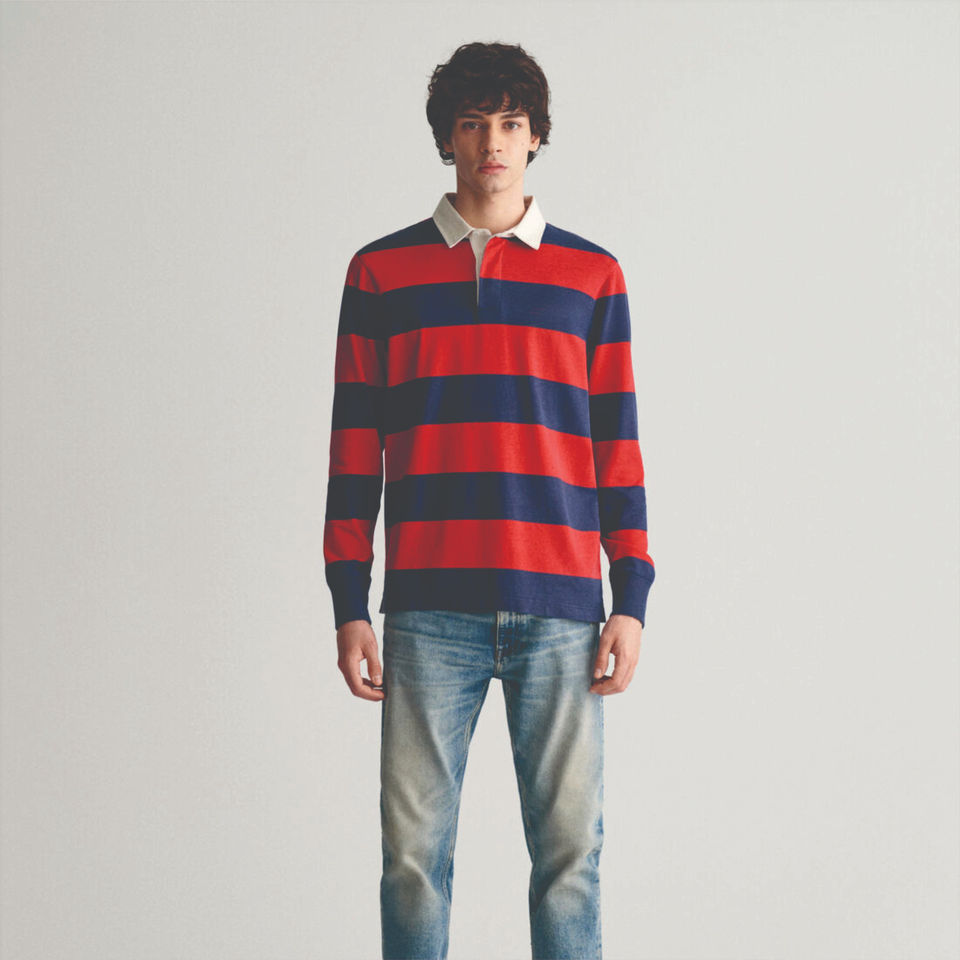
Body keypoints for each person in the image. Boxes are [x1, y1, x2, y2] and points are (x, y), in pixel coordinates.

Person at [324, 40, 655, 960]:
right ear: (447, 139)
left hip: (562, 609)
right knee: (412, 862)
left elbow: (617, 447)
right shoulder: (380, 273)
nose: (493, 143)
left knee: (570, 860)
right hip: (428, 611)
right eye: (472, 124)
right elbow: (353, 449)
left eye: (511, 123)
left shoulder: (593, 276)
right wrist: (347, 601)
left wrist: (630, 594)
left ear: (537, 135)